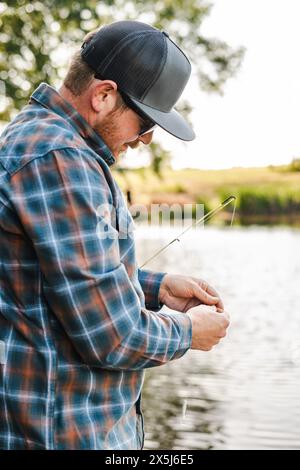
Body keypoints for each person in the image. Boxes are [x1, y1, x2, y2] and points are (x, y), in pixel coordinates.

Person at [0, 20, 230, 450]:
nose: (145, 140)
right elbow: (113, 334)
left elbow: (48, 278)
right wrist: (188, 330)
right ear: (103, 95)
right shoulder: (61, 159)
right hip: (62, 435)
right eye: (144, 121)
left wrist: (157, 288)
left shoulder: (42, 140)